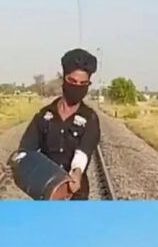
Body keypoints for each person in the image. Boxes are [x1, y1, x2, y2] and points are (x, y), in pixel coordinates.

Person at [15, 48, 101, 200]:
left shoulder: (90, 119)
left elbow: (83, 152)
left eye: (83, 83)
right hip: (46, 196)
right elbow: (26, 150)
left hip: (76, 198)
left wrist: (77, 171)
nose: (77, 86)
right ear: (63, 80)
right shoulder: (44, 116)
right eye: (72, 81)